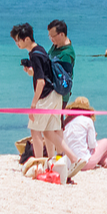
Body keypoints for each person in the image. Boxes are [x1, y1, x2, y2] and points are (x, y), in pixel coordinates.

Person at [13, 22, 64, 160]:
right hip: (55, 95)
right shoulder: (40, 50)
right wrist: (31, 72)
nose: (17, 43)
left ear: (27, 39)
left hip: (46, 96)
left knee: (35, 131)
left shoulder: (34, 55)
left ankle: (39, 163)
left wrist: (33, 103)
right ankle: (54, 160)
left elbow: (41, 82)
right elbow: (43, 74)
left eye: (18, 40)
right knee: (48, 131)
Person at [64, 96, 107, 169]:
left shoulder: (67, 122)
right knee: (105, 142)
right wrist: (94, 136)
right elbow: (92, 145)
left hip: (69, 163)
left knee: (98, 150)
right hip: (83, 163)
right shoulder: (87, 120)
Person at [47, 20, 75, 102]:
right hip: (51, 92)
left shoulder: (66, 54)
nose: (51, 39)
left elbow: (63, 77)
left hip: (59, 95)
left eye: (53, 36)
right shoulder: (57, 44)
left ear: (62, 34)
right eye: (49, 36)